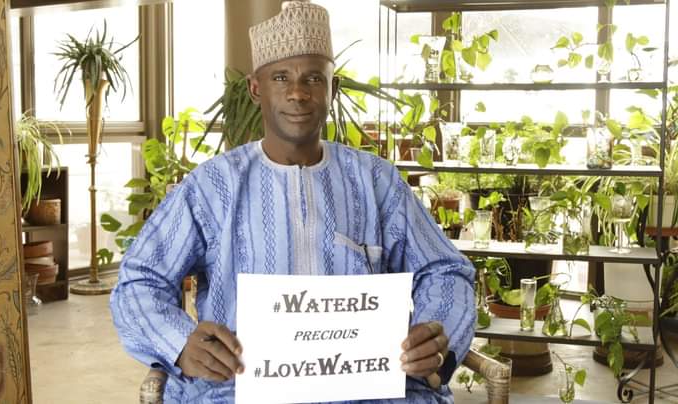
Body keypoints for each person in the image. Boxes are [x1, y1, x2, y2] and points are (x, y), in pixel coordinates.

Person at [111, 1, 475, 402]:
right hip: (235, 390)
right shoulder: (212, 187)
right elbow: (139, 280)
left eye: (314, 78)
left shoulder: (376, 181)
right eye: (281, 77)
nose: (298, 93)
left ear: (333, 89)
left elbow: (445, 269)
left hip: (370, 392)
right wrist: (180, 342)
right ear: (256, 88)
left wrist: (435, 333)